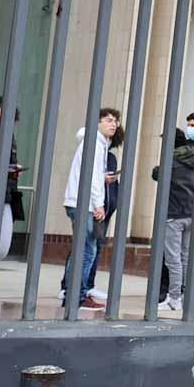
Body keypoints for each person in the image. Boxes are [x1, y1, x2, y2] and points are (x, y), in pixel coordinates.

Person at [150, 111, 194, 315]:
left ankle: (174, 298)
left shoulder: (174, 160)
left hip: (174, 214)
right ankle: (186, 296)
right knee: (187, 257)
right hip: (193, 214)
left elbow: (156, 174)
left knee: (173, 258)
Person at [61, 108, 120, 310]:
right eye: (109, 120)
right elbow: (92, 177)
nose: (113, 124)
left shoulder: (97, 143)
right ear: (97, 123)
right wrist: (98, 204)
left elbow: (93, 174)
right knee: (87, 251)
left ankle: (72, 294)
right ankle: (76, 296)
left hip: (78, 201)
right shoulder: (95, 143)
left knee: (83, 249)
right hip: (83, 203)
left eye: (116, 121)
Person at [0, 97, 25, 265]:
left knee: (1, 248)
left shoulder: (9, 137)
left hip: (6, 196)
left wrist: (14, 171)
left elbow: (8, 164)